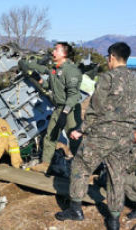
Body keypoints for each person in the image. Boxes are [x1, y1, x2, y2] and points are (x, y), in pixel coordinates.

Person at [55, 42, 136, 230]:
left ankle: (75, 209)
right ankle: (113, 220)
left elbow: (95, 109)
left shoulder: (107, 78)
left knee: (80, 166)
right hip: (125, 136)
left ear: (111, 57)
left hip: (102, 135)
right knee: (116, 177)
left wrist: (80, 129)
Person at [18, 42, 82, 172]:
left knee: (75, 138)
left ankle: (83, 167)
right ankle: (46, 164)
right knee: (51, 136)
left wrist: (65, 113)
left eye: (56, 50)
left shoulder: (71, 71)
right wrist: (38, 79)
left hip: (70, 109)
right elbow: (48, 85)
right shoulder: (56, 69)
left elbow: (73, 95)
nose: (53, 52)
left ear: (64, 53)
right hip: (59, 108)